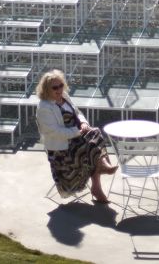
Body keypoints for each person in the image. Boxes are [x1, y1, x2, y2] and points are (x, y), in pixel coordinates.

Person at [35, 70, 117, 203]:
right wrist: (78, 131)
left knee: (94, 135)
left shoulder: (64, 96)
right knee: (93, 145)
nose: (59, 89)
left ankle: (100, 174)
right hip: (62, 149)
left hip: (77, 137)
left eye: (61, 85)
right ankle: (99, 176)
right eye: (55, 87)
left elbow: (78, 112)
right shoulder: (44, 107)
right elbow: (54, 132)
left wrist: (84, 122)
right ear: (46, 89)